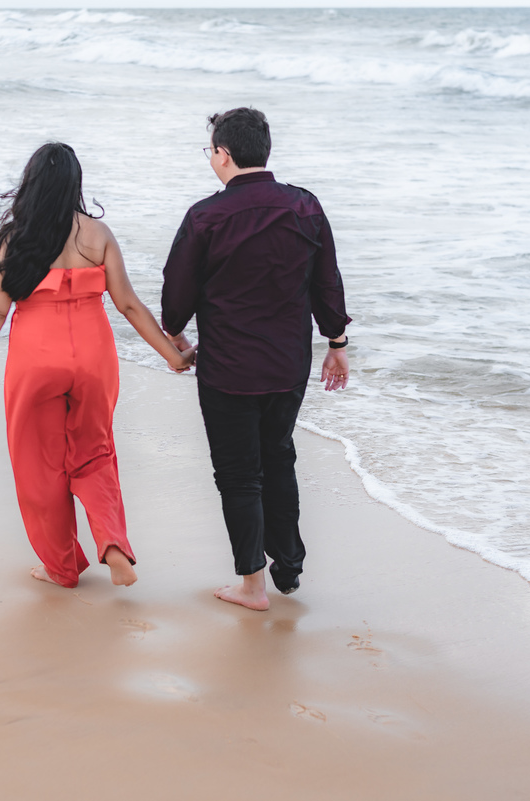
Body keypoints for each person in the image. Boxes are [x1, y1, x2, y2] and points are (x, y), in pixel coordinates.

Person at [0, 143, 194, 589]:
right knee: (95, 450)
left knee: (38, 466)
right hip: (93, 356)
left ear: (31, 185)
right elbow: (128, 305)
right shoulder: (97, 235)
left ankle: (62, 568)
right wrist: (173, 355)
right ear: (75, 184)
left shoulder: (12, 239)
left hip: (36, 360)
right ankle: (113, 544)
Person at [161, 108, 351, 611]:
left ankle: (252, 586)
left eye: (211, 152)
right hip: (289, 364)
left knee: (238, 474)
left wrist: (176, 333)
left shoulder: (206, 216)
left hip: (227, 368)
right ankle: (288, 563)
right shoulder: (305, 206)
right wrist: (336, 344)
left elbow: (177, 293)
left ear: (223, 154)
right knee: (279, 456)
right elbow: (327, 280)